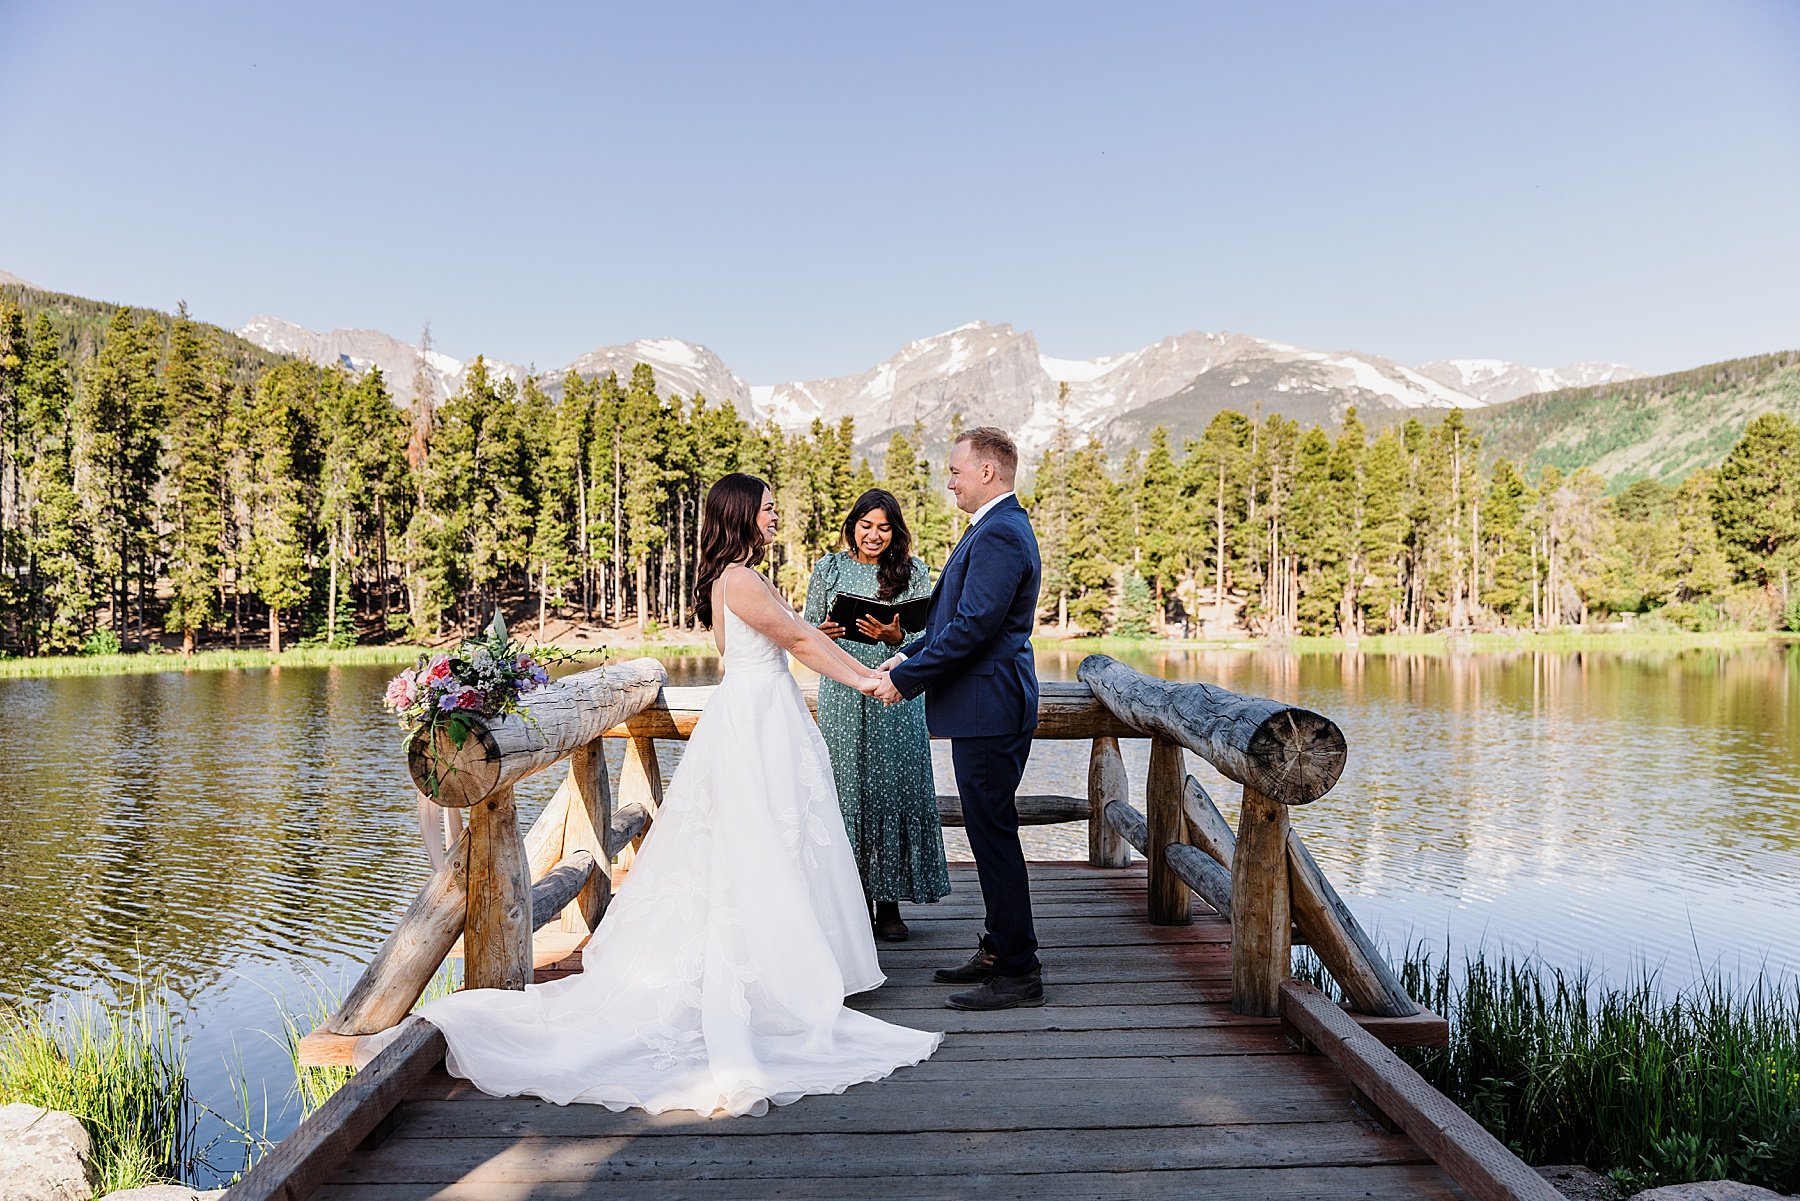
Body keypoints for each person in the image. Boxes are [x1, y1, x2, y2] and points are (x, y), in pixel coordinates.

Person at [405, 473, 941, 1116]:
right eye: (769, 508)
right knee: (758, 842)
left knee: (769, 843)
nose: (777, 516)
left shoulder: (737, 576)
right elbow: (799, 640)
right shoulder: (739, 581)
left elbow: (795, 639)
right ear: (742, 514)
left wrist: (867, 666)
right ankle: (766, 981)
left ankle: (779, 969)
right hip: (756, 721)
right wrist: (868, 680)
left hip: (764, 714)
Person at [870, 427, 1044, 1011]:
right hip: (984, 707)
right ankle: (999, 948)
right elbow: (954, 623)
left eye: (956, 470)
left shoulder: (1000, 534)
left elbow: (974, 630)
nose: (950, 481)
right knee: (989, 832)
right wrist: (908, 654)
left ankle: (1019, 972)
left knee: (993, 838)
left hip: (991, 707)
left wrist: (904, 680)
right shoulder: (996, 529)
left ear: (988, 472)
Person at [803, 489, 951, 943]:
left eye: (884, 527)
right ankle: (851, 904)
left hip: (895, 694)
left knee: (892, 789)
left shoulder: (914, 571)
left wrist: (896, 634)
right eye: (866, 525)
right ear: (852, 526)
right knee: (846, 790)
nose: (874, 535)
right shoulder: (828, 569)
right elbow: (804, 631)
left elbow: (934, 634)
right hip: (843, 695)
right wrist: (821, 631)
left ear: (896, 532)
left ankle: (889, 905)